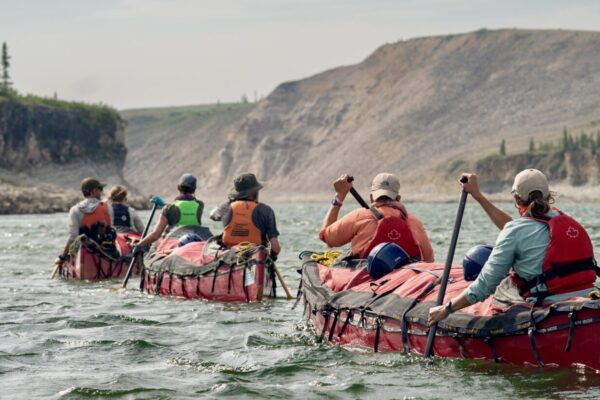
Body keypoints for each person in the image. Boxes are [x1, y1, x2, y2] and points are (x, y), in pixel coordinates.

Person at [428, 169, 598, 325]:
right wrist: (478, 196)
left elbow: (485, 285)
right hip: (590, 296)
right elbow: (517, 228)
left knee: (506, 283)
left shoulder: (516, 231)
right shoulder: (566, 220)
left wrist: (447, 309)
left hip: (548, 305)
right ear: (549, 195)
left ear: (517, 199)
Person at [319, 173, 434, 261]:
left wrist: (339, 196)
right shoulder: (414, 222)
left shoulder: (360, 215)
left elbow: (327, 238)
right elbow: (429, 260)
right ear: (398, 198)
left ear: (371, 198)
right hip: (405, 282)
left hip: (368, 283)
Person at [209, 173, 281, 258]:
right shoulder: (266, 210)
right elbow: (275, 248)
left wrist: (230, 201)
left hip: (229, 256)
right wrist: (272, 257)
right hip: (256, 257)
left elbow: (212, 215)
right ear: (253, 193)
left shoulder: (226, 207)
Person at [53, 177, 113, 269]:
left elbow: (73, 237)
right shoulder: (108, 208)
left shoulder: (75, 210)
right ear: (93, 191)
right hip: (104, 252)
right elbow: (111, 230)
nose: (102, 192)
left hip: (81, 252)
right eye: (100, 189)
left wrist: (62, 257)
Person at [136, 173, 205, 249]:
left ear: (178, 187)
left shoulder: (168, 208)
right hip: (194, 242)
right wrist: (165, 204)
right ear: (194, 189)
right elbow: (186, 203)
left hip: (174, 244)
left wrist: (139, 245)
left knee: (156, 240)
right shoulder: (200, 205)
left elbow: (156, 235)